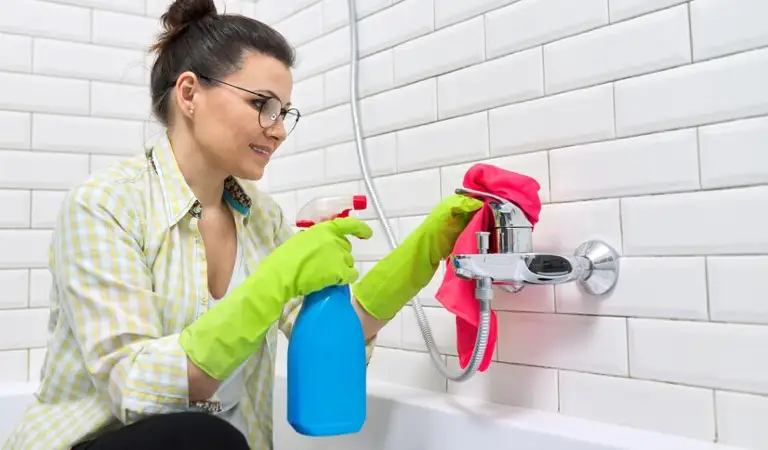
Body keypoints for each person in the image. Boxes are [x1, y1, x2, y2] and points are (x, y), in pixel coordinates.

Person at [1, 1, 484, 449]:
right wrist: (274, 283)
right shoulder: (104, 206)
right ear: (189, 93)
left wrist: (427, 248)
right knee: (199, 436)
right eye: (262, 104)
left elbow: (327, 337)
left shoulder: (263, 217)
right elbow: (136, 389)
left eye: (284, 112)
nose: (277, 128)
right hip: (100, 440)